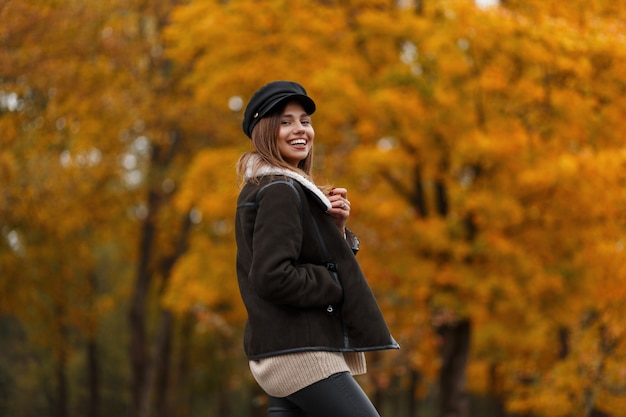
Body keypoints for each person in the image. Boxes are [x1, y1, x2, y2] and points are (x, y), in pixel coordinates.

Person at [235, 80, 399, 417]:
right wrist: (333, 281)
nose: (300, 130)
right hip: (301, 353)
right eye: (285, 121)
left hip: (285, 348)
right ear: (265, 131)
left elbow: (292, 260)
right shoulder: (280, 190)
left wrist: (335, 231)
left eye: (304, 121)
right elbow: (271, 276)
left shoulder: (273, 187)